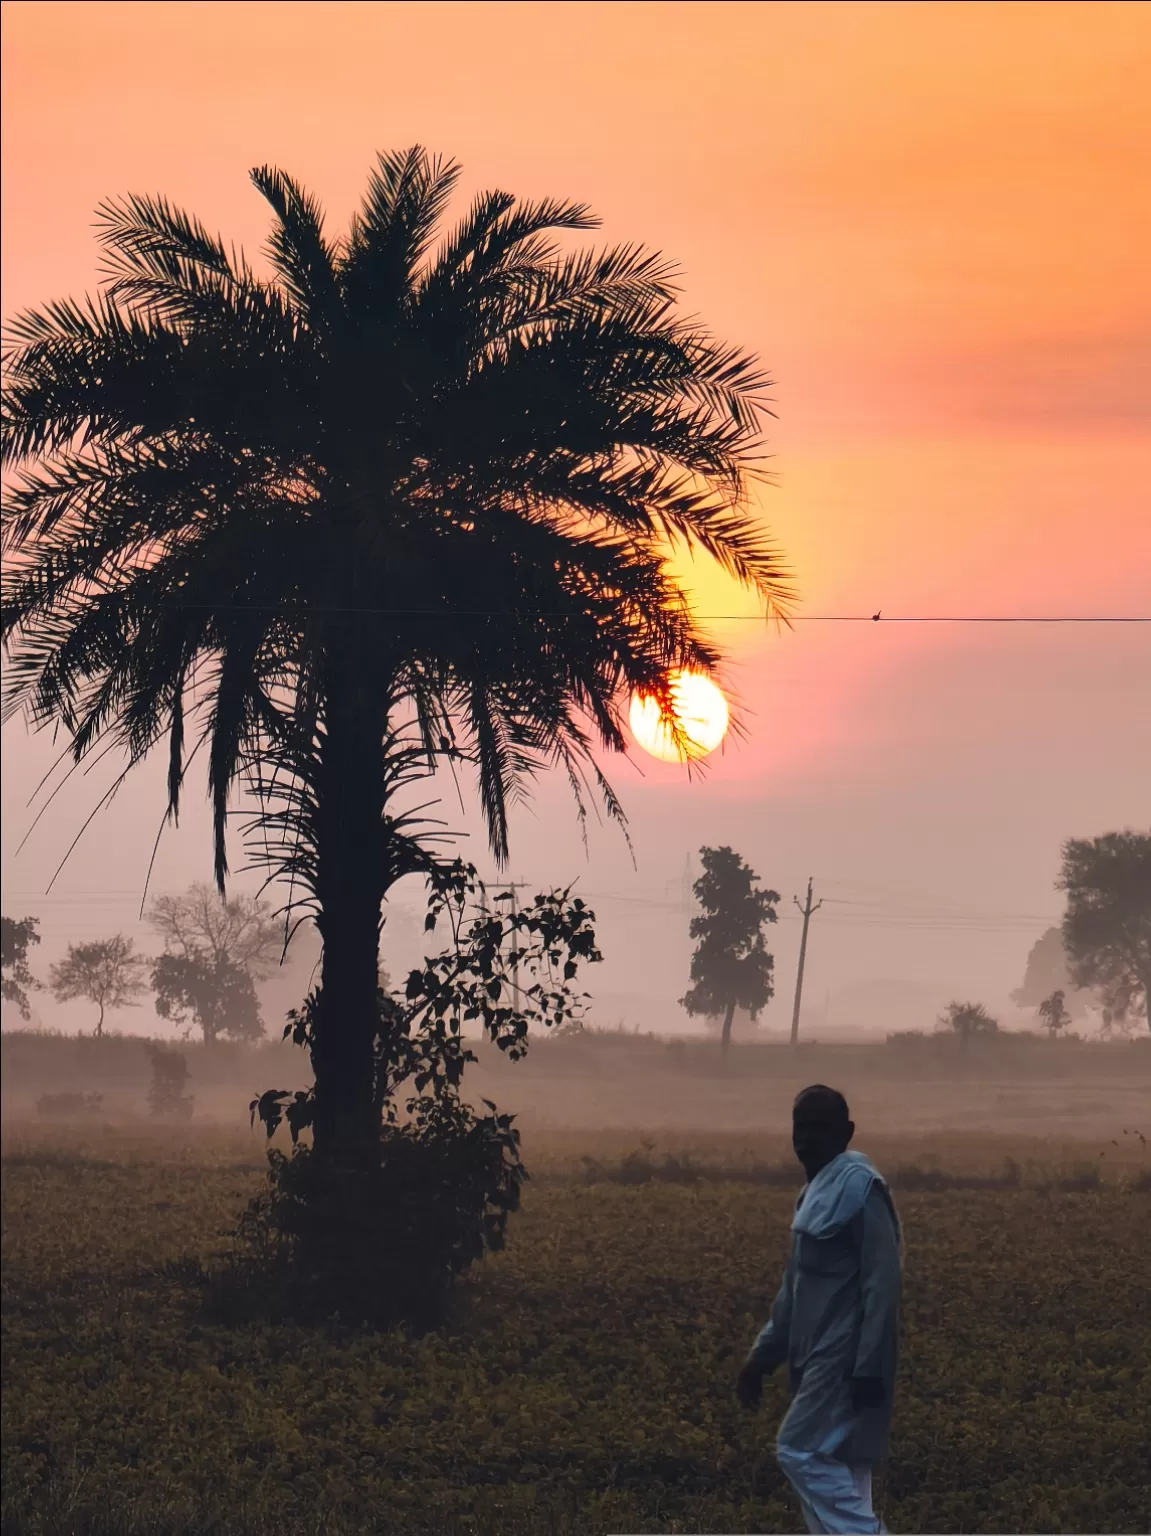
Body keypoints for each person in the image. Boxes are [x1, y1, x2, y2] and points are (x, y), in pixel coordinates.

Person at [736, 1085, 901, 1535]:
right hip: (811, 1355)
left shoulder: (862, 1188)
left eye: (819, 1128)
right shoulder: (813, 1192)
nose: (806, 1139)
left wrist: (869, 1365)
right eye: (800, 1127)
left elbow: (881, 1284)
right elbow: (792, 1292)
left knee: (798, 1450)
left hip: (844, 1356)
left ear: (846, 1132)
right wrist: (761, 1358)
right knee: (843, 1467)